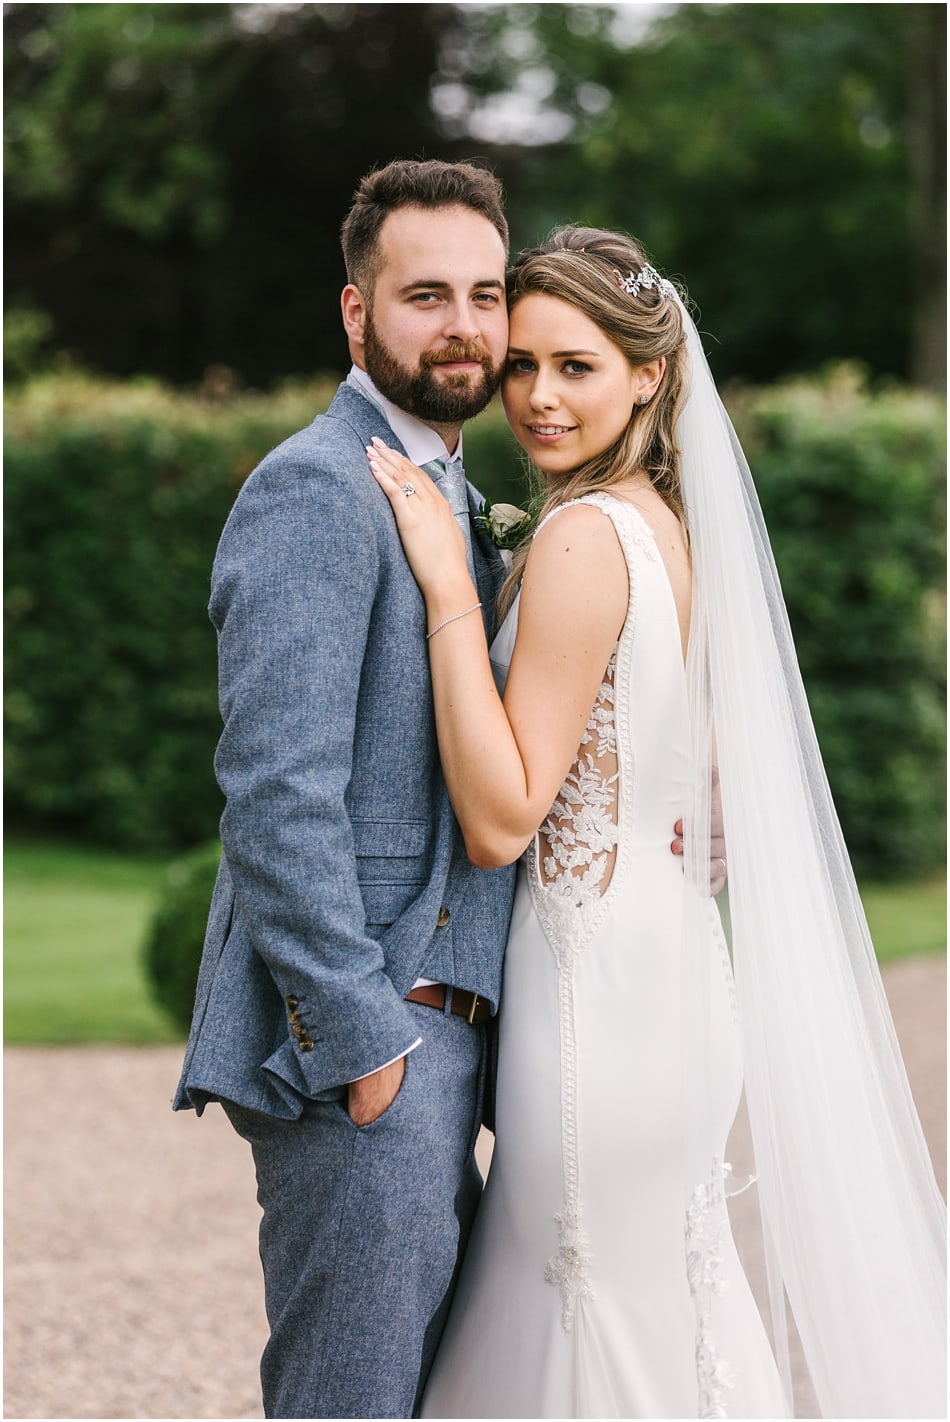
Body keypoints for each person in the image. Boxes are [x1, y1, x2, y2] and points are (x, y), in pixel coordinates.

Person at [368, 226, 947, 1419]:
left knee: (578, 1309)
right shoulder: (668, 530)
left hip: (594, 997)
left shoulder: (583, 538)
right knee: (658, 1304)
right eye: (520, 366)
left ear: (646, 374)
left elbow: (500, 817)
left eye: (573, 367)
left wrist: (440, 588)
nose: (535, 397)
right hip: (672, 970)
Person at [172, 162, 721, 1419]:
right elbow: (275, 797)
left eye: (487, 294)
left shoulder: (477, 507)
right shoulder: (318, 488)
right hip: (380, 1043)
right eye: (426, 295)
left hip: (487, 1040)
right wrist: (365, 1046)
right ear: (357, 313)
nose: (470, 329)